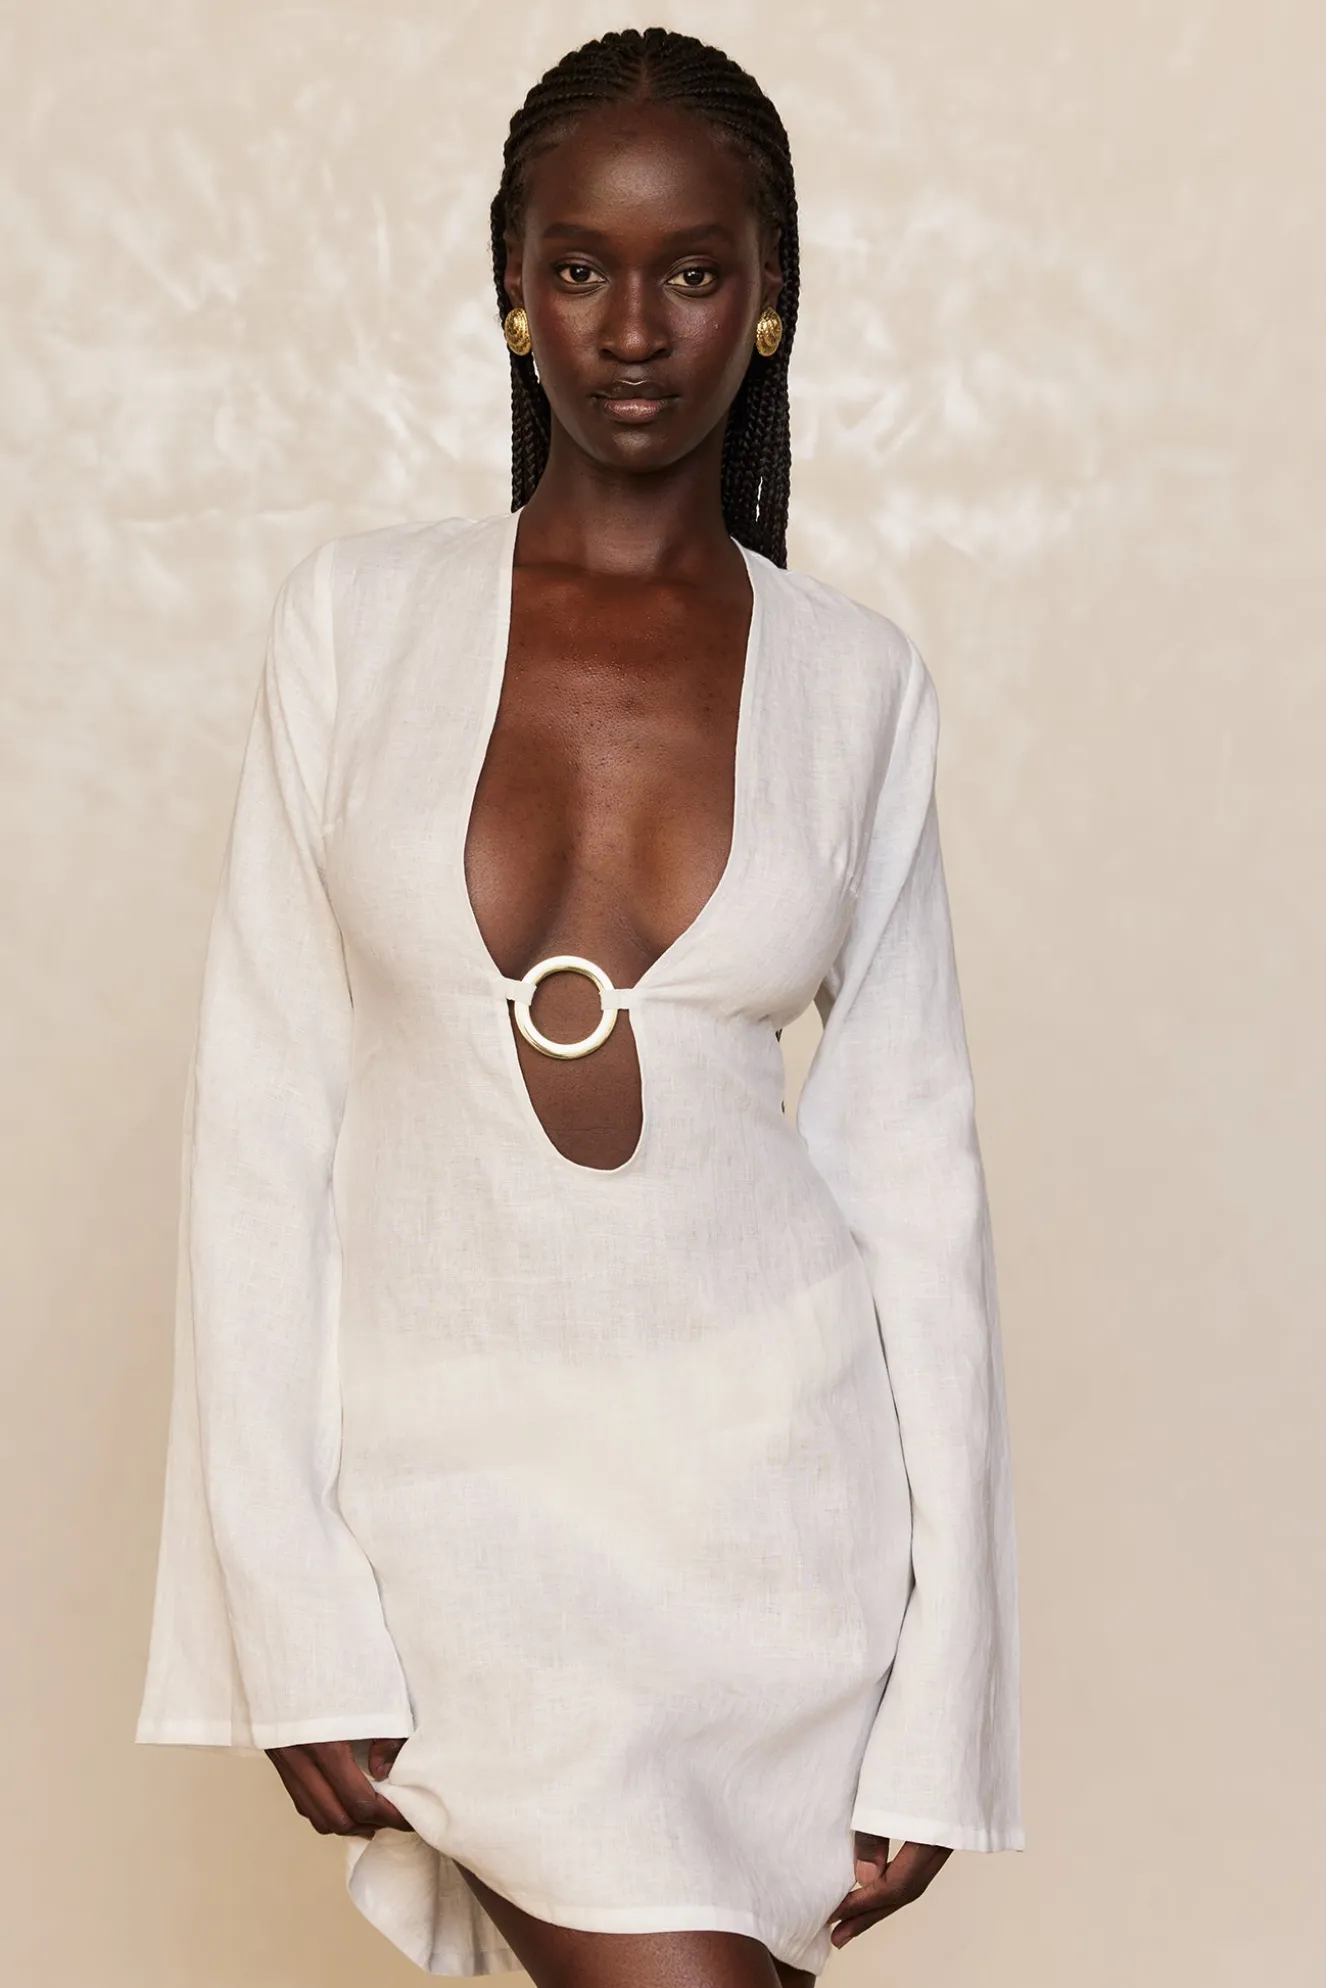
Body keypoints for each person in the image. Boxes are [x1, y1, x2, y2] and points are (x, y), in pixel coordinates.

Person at [134, 26, 1023, 1988]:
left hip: (763, 1522)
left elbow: (917, 1191)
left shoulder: (855, 682)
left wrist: (947, 1697)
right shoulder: (357, 625)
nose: (633, 329)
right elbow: (261, 1131)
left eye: (693, 269)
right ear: (510, 288)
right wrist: (285, 1611)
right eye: (580, 268)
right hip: (455, 1525)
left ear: (767, 296)